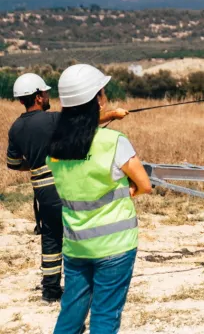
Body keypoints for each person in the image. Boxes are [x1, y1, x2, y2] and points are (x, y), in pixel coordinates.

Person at [45, 64, 152, 334]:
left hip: (76, 245)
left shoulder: (55, 147)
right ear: (98, 99)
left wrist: (110, 115)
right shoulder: (114, 142)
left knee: (70, 314)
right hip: (115, 246)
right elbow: (145, 185)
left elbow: (77, 130)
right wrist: (131, 191)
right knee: (105, 316)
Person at [6, 72, 129, 303]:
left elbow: (13, 163)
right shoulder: (51, 119)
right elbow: (82, 123)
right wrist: (113, 114)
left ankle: (50, 290)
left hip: (41, 191)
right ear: (39, 97)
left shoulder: (15, 129)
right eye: (46, 92)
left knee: (51, 237)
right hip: (63, 185)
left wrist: (35, 165)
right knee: (77, 233)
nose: (48, 95)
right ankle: (86, 285)